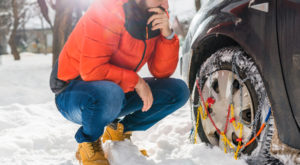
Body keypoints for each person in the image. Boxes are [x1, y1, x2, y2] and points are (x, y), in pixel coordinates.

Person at [49, 0, 190, 164]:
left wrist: (167, 35)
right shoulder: (109, 8)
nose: (164, 2)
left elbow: (161, 71)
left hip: (116, 88)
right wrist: (137, 82)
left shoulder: (156, 14)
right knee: (110, 93)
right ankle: (88, 141)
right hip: (73, 92)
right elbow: (92, 70)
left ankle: (119, 130)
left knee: (177, 91)